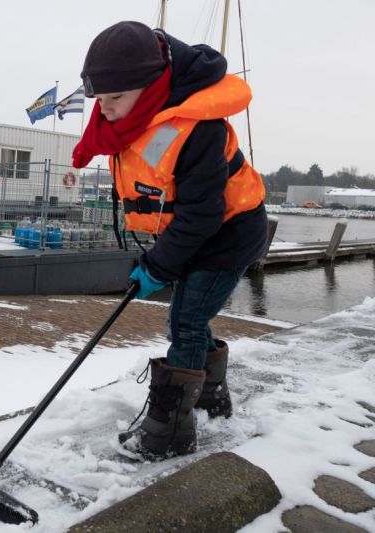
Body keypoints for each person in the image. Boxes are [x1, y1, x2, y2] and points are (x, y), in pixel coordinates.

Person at [72, 21, 268, 460]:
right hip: (199, 235)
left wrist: (159, 265)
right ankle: (212, 397)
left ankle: (170, 432)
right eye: (99, 101)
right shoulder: (135, 117)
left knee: (185, 323)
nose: (104, 111)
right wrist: (160, 260)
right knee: (190, 317)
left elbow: (202, 214)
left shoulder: (198, 127)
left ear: (152, 84)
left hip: (229, 236)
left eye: (115, 99)